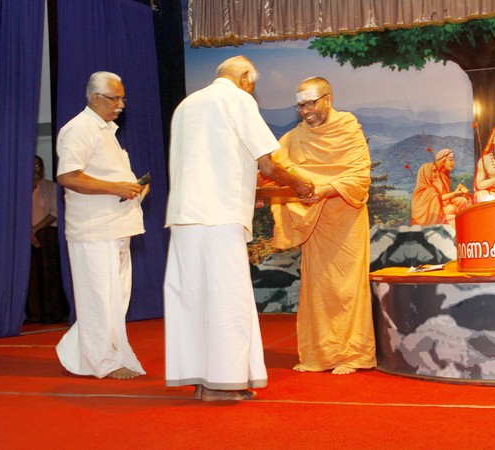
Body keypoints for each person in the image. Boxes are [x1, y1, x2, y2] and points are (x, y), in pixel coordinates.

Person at [164, 56, 314, 401]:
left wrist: (248, 192)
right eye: (253, 84)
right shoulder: (238, 99)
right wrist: (300, 184)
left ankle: (201, 380)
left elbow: (211, 162)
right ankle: (221, 384)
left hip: (184, 216)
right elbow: (267, 164)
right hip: (220, 216)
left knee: (194, 299)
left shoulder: (186, 105)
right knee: (227, 298)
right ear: (246, 78)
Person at [269, 76, 376, 375]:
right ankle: (321, 354)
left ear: (328, 100)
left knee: (347, 288)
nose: (305, 112)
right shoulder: (294, 138)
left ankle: (353, 354)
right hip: (314, 220)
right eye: (300, 106)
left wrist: (324, 190)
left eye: (311, 104)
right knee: (318, 288)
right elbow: (273, 169)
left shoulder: (348, 129)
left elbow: (360, 177)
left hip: (346, 217)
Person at [55, 71, 149, 380]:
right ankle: (102, 362)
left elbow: (108, 177)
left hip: (117, 226)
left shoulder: (107, 131)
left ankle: (84, 351)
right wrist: (116, 188)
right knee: (98, 298)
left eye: (123, 98)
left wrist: (133, 189)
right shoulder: (78, 129)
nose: (121, 104)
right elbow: (68, 176)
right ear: (95, 98)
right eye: (115, 98)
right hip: (93, 229)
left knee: (115, 299)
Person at [26, 155, 68, 324]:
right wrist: (29, 233)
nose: (34, 168)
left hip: (47, 234)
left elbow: (55, 212)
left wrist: (35, 229)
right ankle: (34, 314)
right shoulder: (20, 190)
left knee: (49, 274)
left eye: (37, 165)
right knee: (31, 276)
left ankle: (52, 314)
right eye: (31, 165)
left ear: (43, 168)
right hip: (26, 237)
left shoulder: (52, 187)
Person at [410, 160, 446, 226]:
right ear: (426, 174)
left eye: (436, 171)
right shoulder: (431, 191)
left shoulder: (416, 193)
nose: (436, 174)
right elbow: (437, 218)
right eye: (434, 171)